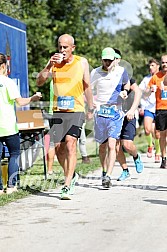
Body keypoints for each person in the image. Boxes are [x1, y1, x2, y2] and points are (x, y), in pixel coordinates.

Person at [36, 34, 94, 199]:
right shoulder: (53, 62)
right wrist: (48, 67)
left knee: (70, 143)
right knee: (59, 149)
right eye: (60, 47)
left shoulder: (81, 62)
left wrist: (90, 107)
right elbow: (39, 82)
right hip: (58, 111)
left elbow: (87, 86)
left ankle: (67, 184)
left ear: (72, 48)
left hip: (76, 109)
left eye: (65, 47)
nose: (62, 50)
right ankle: (72, 173)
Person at [0, 52, 42, 195]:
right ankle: (11, 186)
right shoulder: (8, 82)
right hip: (8, 126)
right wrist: (33, 98)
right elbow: (20, 102)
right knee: (14, 153)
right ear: (4, 66)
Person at [90, 47, 130, 188]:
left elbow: (127, 83)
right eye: (105, 60)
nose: (107, 63)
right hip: (100, 113)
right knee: (102, 147)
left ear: (115, 60)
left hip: (115, 113)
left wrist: (125, 91)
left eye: (110, 60)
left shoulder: (121, 71)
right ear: (101, 59)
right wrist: (91, 103)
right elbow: (87, 89)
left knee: (112, 144)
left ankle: (108, 176)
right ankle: (104, 170)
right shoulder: (95, 73)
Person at [116, 78, 144, 181]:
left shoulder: (124, 76)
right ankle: (125, 171)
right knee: (115, 145)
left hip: (128, 115)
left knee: (127, 144)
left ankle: (136, 157)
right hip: (114, 116)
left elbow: (138, 92)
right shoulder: (106, 76)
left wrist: (132, 110)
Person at [146, 54, 167, 169]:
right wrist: (151, 90)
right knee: (162, 135)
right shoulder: (156, 77)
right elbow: (146, 91)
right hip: (161, 109)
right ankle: (164, 159)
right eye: (163, 62)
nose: (165, 64)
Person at [139, 58, 161, 162]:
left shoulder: (163, 78)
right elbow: (141, 93)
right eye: (150, 66)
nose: (150, 68)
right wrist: (149, 90)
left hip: (159, 107)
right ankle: (150, 146)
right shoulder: (146, 79)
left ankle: (158, 151)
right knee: (147, 129)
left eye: (153, 65)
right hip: (148, 107)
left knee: (157, 132)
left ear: (158, 66)